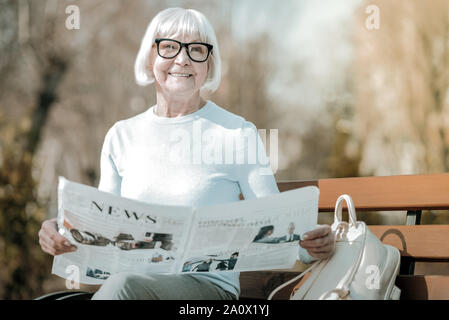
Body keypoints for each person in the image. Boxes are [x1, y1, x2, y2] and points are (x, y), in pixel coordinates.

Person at [38, 7, 335, 300]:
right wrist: (63, 232)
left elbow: (278, 225)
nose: (182, 59)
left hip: (206, 288)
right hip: (130, 285)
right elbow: (102, 228)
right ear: (150, 57)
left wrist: (309, 246)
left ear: (209, 64)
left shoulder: (236, 133)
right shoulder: (121, 135)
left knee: (123, 288)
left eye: (196, 49)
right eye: (169, 47)